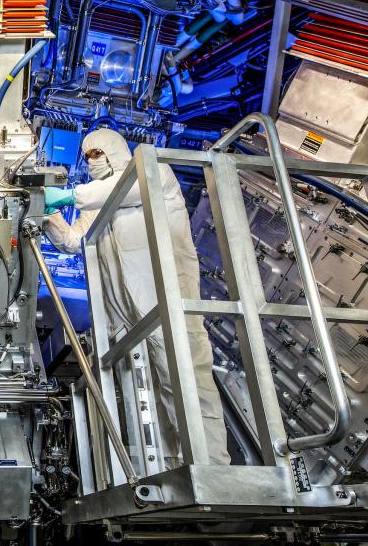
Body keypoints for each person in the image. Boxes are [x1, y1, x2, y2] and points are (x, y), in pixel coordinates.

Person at [42, 128, 230, 466]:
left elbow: (123, 189)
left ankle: (214, 470)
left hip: (167, 307)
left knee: (187, 388)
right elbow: (74, 241)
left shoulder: (153, 171)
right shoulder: (96, 201)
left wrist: (67, 195)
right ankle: (171, 471)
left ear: (115, 150)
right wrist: (43, 212)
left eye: (97, 153)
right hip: (126, 321)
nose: (91, 161)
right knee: (151, 402)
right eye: (87, 157)